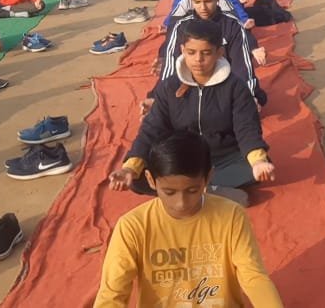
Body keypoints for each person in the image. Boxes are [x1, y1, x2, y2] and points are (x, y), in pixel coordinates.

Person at [96, 132, 284, 308]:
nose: (181, 204)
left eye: (192, 190)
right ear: (151, 180)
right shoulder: (132, 227)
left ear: (208, 177)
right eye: (169, 192)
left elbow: (254, 277)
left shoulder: (232, 216)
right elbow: (113, 293)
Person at [110, 19, 275, 198]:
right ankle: (209, 192)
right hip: (180, 158)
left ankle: (186, 191)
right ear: (182, 51)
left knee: (255, 168)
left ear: (219, 53)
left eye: (206, 53)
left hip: (223, 158)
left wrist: (258, 162)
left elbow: (247, 129)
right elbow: (152, 129)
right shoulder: (169, 87)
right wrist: (130, 168)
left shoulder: (236, 87)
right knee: (138, 178)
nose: (198, 59)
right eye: (191, 52)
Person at [157, 0, 266, 107]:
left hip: (224, 85)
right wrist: (159, 100)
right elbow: (171, 65)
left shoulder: (232, 26)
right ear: (190, 0)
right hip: (191, 84)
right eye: (197, 2)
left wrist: (248, 98)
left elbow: (242, 67)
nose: (203, 8)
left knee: (243, 110)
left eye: (208, 1)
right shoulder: (181, 27)